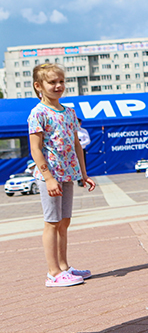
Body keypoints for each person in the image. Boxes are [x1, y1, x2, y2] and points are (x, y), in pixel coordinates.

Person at [27, 63, 96, 287]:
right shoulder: (38, 113)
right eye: (52, 82)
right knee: (52, 222)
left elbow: (76, 144)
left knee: (64, 222)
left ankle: (65, 267)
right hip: (51, 176)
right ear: (39, 86)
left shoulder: (69, 112)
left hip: (68, 174)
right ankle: (53, 272)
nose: (58, 86)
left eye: (61, 81)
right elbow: (35, 149)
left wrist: (83, 174)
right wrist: (48, 178)